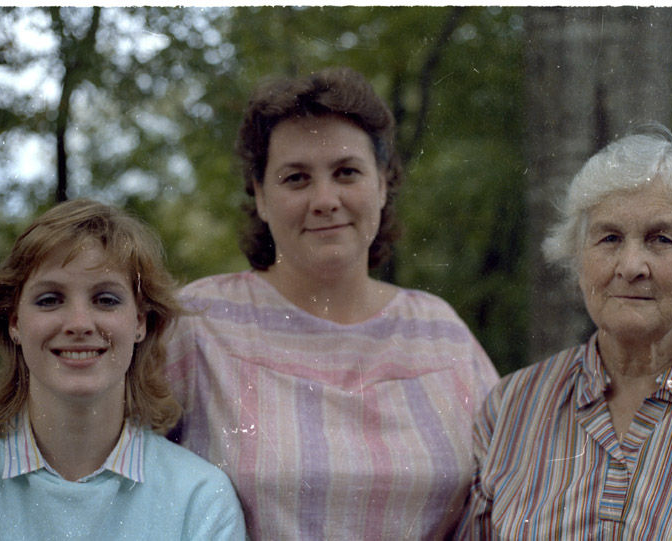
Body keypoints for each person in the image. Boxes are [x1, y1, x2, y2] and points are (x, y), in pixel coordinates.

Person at [165, 66, 500, 539]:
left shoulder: (440, 330)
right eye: (296, 178)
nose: (325, 199)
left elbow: (508, 493)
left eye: (346, 172)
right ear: (260, 196)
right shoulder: (197, 322)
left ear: (383, 185)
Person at [455, 124, 672, 540]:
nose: (631, 266)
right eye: (609, 238)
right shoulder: (509, 409)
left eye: (661, 239)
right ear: (577, 265)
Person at [0, 199, 247, 540]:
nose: (79, 324)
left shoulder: (200, 498)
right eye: (50, 299)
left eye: (106, 300)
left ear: (140, 322)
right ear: (14, 322)